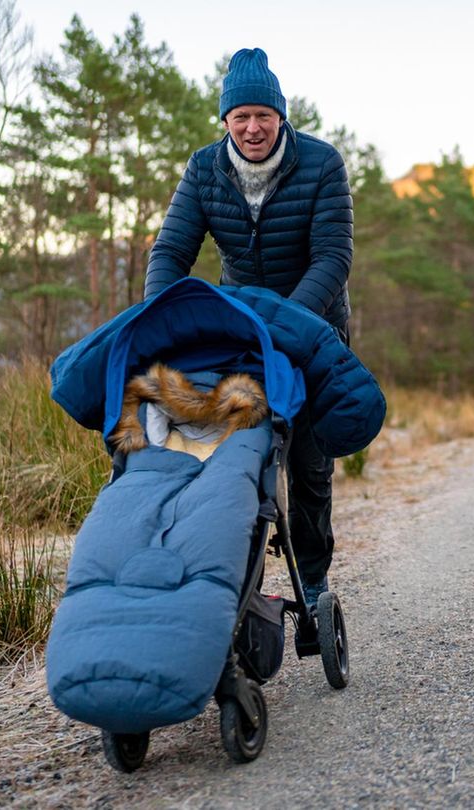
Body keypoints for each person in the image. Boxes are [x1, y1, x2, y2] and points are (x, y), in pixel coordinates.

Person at [143, 47, 353, 609]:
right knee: (237, 459)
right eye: (242, 117)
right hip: (240, 333)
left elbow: (332, 258)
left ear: (281, 116)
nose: (253, 127)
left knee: (309, 464)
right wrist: (158, 318)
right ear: (226, 122)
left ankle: (312, 580)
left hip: (314, 326)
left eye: (264, 115)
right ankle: (240, 585)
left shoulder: (321, 163)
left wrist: (289, 324)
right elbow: (171, 250)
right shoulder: (204, 168)